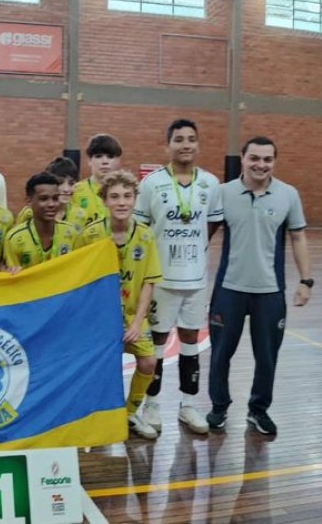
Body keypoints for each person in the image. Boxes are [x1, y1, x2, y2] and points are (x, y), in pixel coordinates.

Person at [207, 136, 312, 435]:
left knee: (267, 357)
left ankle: (258, 409)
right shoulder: (223, 193)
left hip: (270, 292)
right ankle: (218, 407)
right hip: (229, 289)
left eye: (267, 159)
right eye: (254, 158)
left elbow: (298, 238)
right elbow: (206, 233)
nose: (260, 164)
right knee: (219, 354)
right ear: (242, 158)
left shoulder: (288, 195)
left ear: (274, 162)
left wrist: (306, 281)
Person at [134, 119, 223, 435]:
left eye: (191, 139)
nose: (186, 144)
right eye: (179, 139)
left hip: (195, 279)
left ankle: (188, 404)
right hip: (161, 279)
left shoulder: (211, 184)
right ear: (167, 145)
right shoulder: (151, 184)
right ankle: (152, 404)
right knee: (157, 341)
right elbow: (141, 229)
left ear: (198, 144)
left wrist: (193, 248)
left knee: (190, 340)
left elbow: (212, 224)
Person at [80, 170, 163, 440]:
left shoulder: (146, 235)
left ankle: (129, 412)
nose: (122, 202)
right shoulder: (91, 234)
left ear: (135, 199)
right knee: (103, 366)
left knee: (149, 362)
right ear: (104, 201)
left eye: (127, 196)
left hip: (132, 315)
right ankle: (98, 417)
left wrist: (138, 323)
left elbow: (149, 282)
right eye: (114, 197)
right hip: (99, 317)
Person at [3, 172, 82, 271]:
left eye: (55, 198)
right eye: (44, 199)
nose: (51, 204)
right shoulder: (14, 239)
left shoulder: (72, 234)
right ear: (29, 201)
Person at [16, 156, 89, 233]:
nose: (66, 189)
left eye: (71, 184)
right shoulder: (29, 213)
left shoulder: (81, 215)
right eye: (60, 183)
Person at [71, 133, 123, 226]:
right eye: (98, 156)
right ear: (89, 161)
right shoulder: (75, 191)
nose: (105, 162)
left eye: (110, 157)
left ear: (118, 161)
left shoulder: (127, 192)